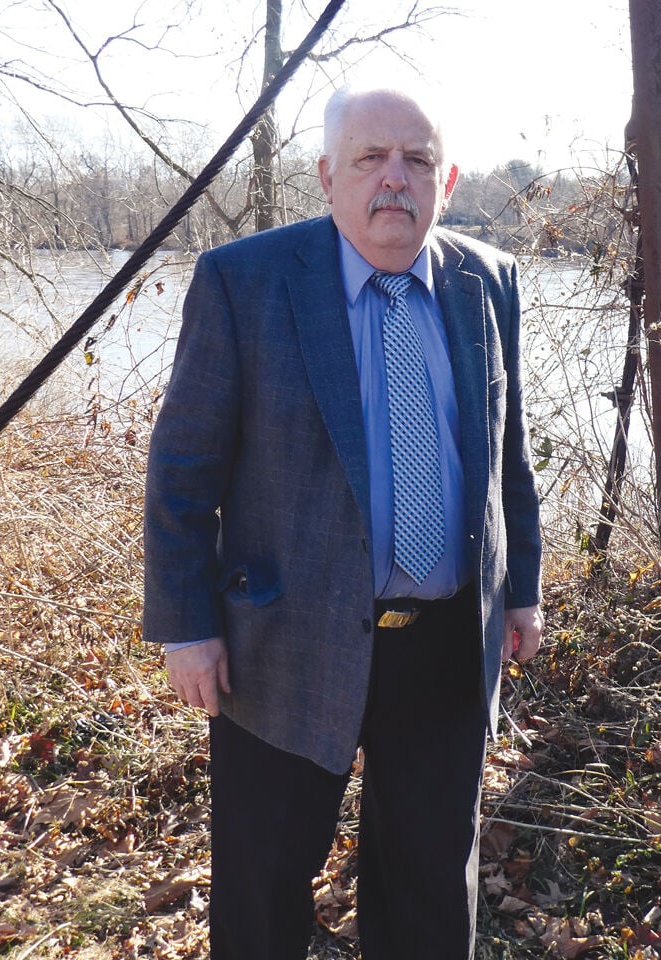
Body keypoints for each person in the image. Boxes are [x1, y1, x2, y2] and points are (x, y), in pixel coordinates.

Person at [143, 78, 543, 960]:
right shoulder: (245, 282)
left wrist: (521, 593)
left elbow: (506, 452)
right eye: (370, 158)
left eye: (417, 160)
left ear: (449, 178)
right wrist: (185, 627)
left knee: (431, 893)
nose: (393, 179)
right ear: (327, 177)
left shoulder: (489, 281)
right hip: (284, 645)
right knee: (264, 891)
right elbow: (181, 469)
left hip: (442, 647)